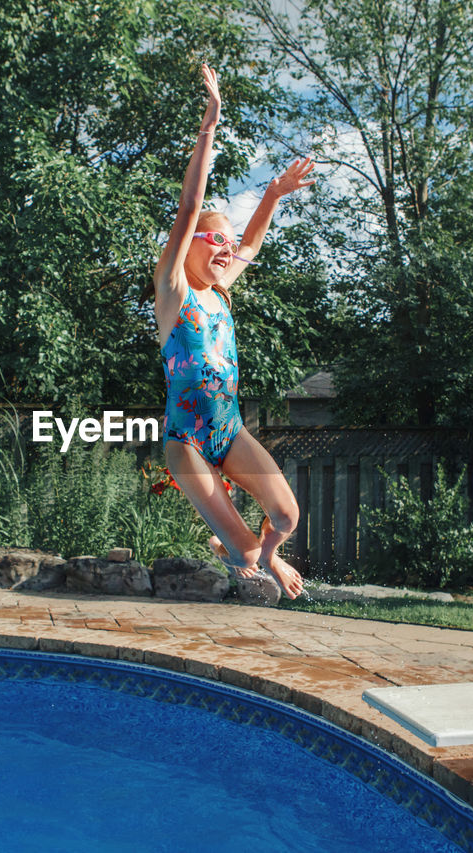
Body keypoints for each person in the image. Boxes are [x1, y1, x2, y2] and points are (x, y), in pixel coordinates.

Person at [149, 64, 315, 599]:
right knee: (245, 557)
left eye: (228, 244)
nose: (226, 249)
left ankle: (265, 554)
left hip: (230, 430)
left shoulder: (221, 291)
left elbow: (253, 244)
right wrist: (209, 127)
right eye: (215, 241)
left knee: (285, 518)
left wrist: (273, 193)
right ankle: (244, 552)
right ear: (190, 244)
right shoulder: (175, 292)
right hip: (187, 445)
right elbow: (189, 207)